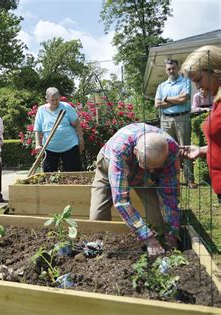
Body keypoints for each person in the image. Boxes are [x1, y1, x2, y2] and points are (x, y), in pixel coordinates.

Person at [89, 123, 180, 256]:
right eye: (148, 166)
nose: (152, 170)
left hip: (143, 178)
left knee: (158, 220)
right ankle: (96, 249)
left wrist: (172, 234)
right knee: (97, 217)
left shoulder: (171, 151)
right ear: (136, 151)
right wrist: (148, 237)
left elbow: (170, 195)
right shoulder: (120, 150)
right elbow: (121, 200)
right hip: (109, 164)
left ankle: (162, 240)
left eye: (155, 167)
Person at [179, 45, 221, 203]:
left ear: (216, 70)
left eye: (198, 79)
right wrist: (201, 150)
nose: (197, 87)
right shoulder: (217, 101)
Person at [154, 59, 196, 188]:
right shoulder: (161, 86)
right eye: (169, 69)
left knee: (185, 147)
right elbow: (157, 104)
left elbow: (184, 99)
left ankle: (190, 180)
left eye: (173, 68)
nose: (171, 71)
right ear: (166, 70)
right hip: (165, 119)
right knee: (167, 149)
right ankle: (171, 179)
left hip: (182, 117)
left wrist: (165, 100)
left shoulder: (185, 82)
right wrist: (175, 100)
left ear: (178, 68)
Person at [34, 87, 84, 172]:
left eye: (57, 99)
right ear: (47, 99)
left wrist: (81, 139)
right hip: (49, 148)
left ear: (59, 97)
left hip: (70, 146)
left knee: (73, 175)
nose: (55, 102)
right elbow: (37, 129)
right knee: (48, 176)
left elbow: (77, 124)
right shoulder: (41, 110)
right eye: (52, 100)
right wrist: (38, 144)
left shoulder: (66, 107)